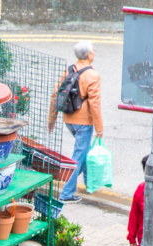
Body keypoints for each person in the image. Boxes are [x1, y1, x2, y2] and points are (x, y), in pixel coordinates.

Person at [48, 41, 103, 204]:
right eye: (93, 50)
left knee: (84, 152)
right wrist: (99, 128)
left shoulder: (68, 70)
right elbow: (94, 104)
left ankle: (89, 183)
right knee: (79, 157)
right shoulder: (93, 75)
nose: (94, 52)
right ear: (89, 55)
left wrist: (52, 119)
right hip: (84, 122)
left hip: (69, 119)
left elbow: (55, 95)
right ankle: (66, 193)